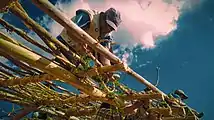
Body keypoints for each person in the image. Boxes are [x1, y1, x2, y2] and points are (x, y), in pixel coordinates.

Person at [57, 7, 122, 67]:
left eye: (111, 28)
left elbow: (104, 53)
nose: (108, 30)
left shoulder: (107, 35)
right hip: (64, 44)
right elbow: (70, 31)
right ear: (103, 17)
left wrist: (107, 67)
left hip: (77, 55)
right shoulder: (88, 17)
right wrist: (83, 42)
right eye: (108, 26)